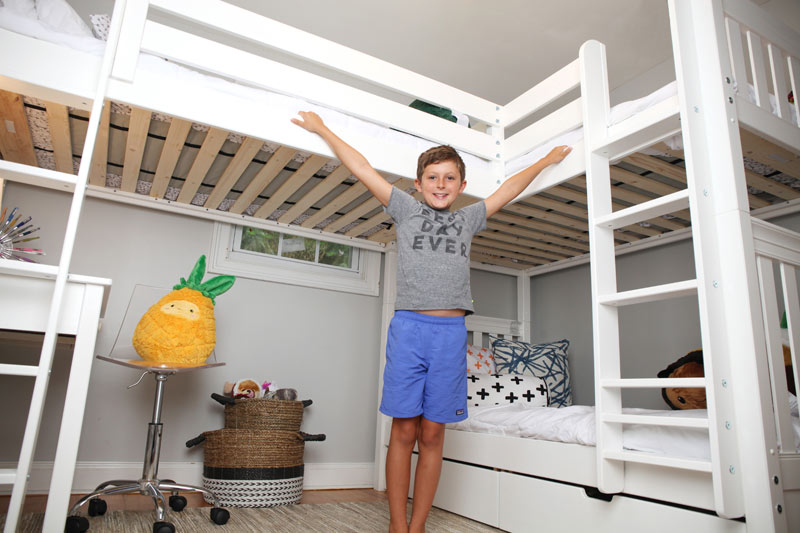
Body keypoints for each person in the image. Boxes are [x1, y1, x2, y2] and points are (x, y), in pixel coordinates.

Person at [292, 110, 570, 533]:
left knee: (434, 434)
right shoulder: (405, 210)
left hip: (449, 336)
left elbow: (508, 189)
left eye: (450, 178)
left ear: (461, 186)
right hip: (410, 331)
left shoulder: (468, 219)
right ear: (418, 185)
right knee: (403, 430)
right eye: (433, 177)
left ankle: (418, 526)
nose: (441, 185)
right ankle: (397, 524)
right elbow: (363, 167)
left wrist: (545, 160)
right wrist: (322, 130)